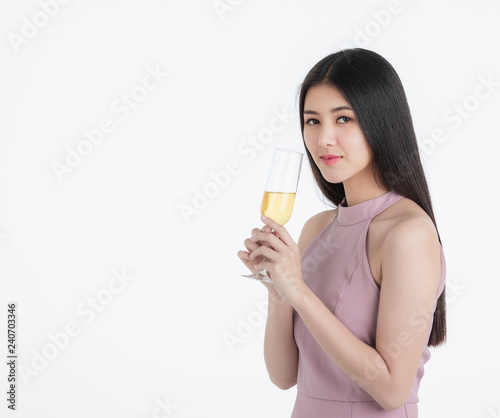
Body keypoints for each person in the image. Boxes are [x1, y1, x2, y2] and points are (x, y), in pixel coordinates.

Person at [237, 48, 446, 417]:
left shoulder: (407, 234)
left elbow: (392, 390)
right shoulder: (317, 228)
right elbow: (283, 376)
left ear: (380, 122)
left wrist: (298, 290)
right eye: (312, 121)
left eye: (343, 119)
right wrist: (278, 291)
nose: (324, 139)